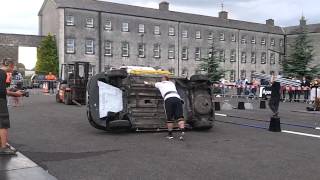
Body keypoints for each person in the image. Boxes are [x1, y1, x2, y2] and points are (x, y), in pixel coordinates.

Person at [144, 75, 185, 140]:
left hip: (168, 99)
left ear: (163, 79)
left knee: (169, 118)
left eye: (161, 78)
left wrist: (146, 82)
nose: (161, 79)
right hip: (177, 98)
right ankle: (182, 131)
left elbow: (151, 84)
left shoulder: (160, 84)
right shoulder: (172, 83)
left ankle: (170, 135)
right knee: (180, 117)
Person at [0, 59, 23, 155]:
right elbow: (1, 91)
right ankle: (3, 148)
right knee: (3, 123)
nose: (13, 69)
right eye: (13, 67)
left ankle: (2, 144)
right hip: (0, 101)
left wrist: (9, 90)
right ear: (10, 66)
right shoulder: (2, 73)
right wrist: (15, 93)